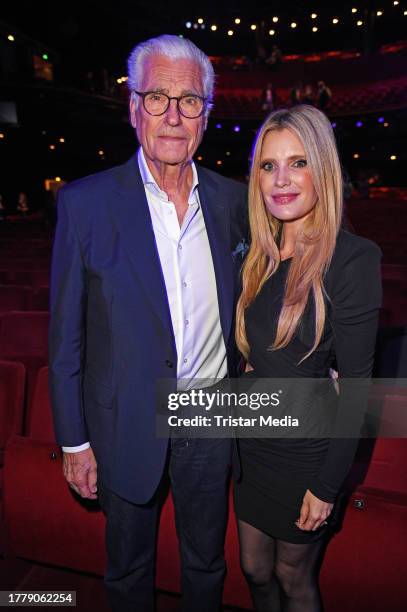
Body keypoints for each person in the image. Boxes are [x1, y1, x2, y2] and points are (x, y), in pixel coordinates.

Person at [49, 34, 248, 612]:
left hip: (212, 416)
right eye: (157, 97)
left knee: (207, 564)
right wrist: (73, 440)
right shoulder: (85, 204)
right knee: (128, 571)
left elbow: (274, 293)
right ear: (133, 107)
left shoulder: (235, 202)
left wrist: (324, 357)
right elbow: (66, 339)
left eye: (189, 101)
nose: (172, 115)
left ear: (206, 116)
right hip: (124, 421)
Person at [234, 105, 382, 611]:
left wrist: (326, 485)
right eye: (268, 166)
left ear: (322, 169)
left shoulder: (352, 259)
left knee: (292, 578)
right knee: (253, 569)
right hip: (252, 447)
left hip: (306, 456)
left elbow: (359, 389)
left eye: (297, 162)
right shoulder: (257, 256)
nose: (281, 180)